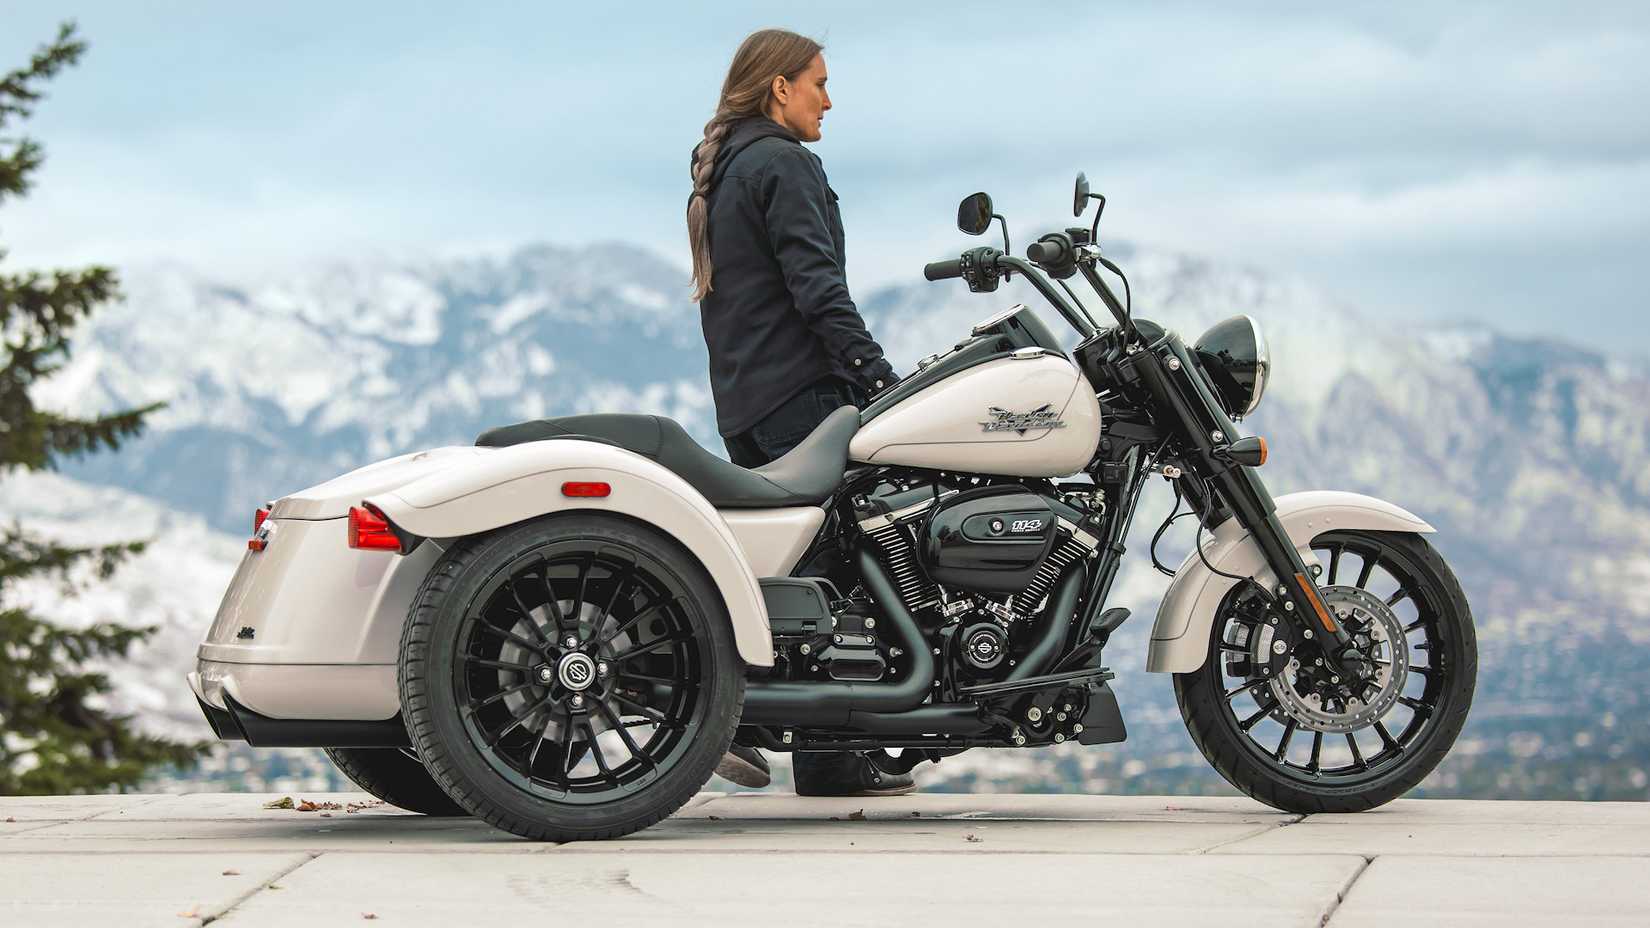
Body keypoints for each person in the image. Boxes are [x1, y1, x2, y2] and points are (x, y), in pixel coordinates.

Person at [686, 28, 913, 797]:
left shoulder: (726, 171)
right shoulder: (784, 162)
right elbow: (818, 289)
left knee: (794, 573)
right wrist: (880, 381)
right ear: (779, 87)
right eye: (817, 81)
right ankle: (791, 744)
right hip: (804, 398)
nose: (828, 97)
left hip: (748, 403)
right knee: (847, 572)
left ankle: (781, 735)